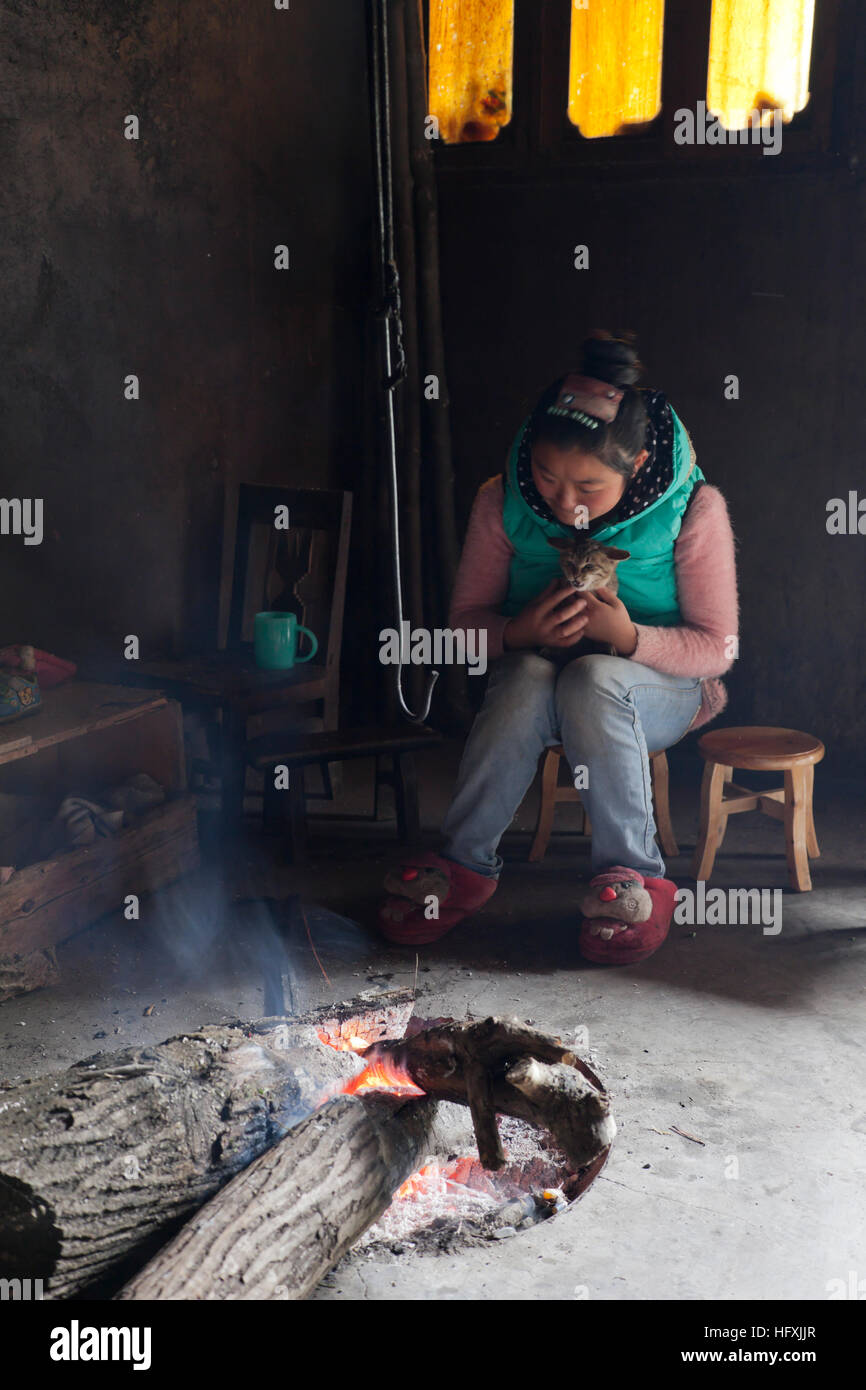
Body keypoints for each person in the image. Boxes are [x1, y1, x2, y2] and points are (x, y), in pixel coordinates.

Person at [378, 331, 739, 964]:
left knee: (594, 678)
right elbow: (462, 627)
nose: (565, 504)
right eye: (547, 477)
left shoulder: (695, 511)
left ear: (637, 464)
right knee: (520, 675)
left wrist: (627, 639)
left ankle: (634, 879)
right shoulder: (501, 501)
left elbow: (717, 649)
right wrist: (519, 633)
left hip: (657, 693)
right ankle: (463, 867)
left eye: (589, 488)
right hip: (542, 684)